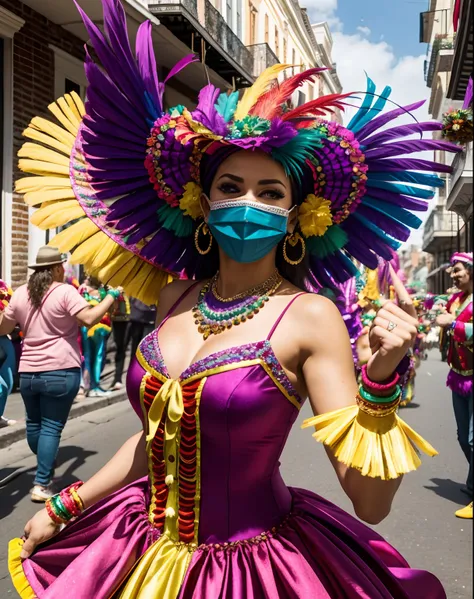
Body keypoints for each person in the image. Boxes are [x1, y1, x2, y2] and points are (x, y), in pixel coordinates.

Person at [7, 2, 460, 596]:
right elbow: (152, 441)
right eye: (230, 186)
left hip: (251, 570)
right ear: (202, 203)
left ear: (297, 217)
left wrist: (378, 382)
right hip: (137, 550)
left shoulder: (311, 316)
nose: (247, 202)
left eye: (269, 191)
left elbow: (370, 502)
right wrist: (65, 505)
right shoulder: (175, 295)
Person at [0, 246, 121, 501]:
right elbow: (89, 318)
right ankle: (42, 483)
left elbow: (3, 328)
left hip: (30, 373)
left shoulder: (21, 293)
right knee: (51, 428)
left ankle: (45, 464)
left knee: (35, 425)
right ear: (56, 268)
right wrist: (111, 297)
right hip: (60, 370)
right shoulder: (65, 291)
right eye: (62, 265)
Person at [436, 252, 473, 520]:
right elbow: (433, 303)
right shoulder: (457, 299)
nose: (453, 275)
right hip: (459, 375)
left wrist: (454, 324)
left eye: (458, 270)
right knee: (463, 436)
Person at [79, 277, 114, 397]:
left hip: (90, 328)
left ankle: (90, 386)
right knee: (96, 356)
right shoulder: (100, 292)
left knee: (90, 356)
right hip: (96, 327)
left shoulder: (87, 291)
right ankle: (93, 386)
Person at [110, 291, 131, 391]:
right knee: (120, 349)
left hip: (134, 318)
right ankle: (117, 378)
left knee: (135, 350)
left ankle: (132, 377)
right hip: (118, 318)